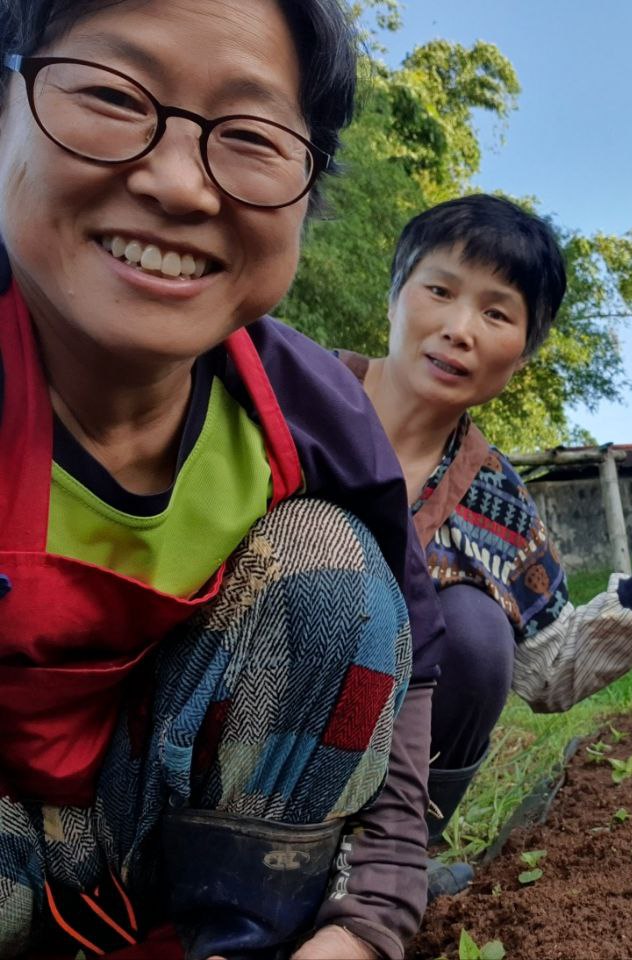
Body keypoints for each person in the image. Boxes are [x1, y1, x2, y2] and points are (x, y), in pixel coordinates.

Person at [0, 2, 444, 958]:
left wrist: (371, 917)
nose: (175, 184)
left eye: (249, 135)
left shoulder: (308, 412)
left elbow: (419, 666)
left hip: (143, 818)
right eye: (113, 96)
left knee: (338, 584)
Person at [340, 194, 632, 896]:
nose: (459, 329)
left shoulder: (493, 497)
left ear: (522, 355)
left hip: (374, 766)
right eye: (439, 291)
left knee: (474, 629)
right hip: (214, 728)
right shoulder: (286, 395)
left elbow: (545, 668)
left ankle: (378, 862)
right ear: (395, 299)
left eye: (496, 314)